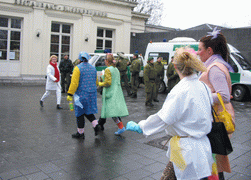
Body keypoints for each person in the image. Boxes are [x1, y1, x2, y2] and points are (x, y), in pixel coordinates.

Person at [126, 47, 214, 180]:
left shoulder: (179, 91)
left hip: (185, 151)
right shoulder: (204, 87)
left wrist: (142, 127)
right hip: (202, 148)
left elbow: (164, 118)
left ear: (174, 65)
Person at [198, 27, 235, 180]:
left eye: (200, 49)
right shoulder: (214, 65)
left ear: (209, 51)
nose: (198, 52)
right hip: (213, 119)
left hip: (215, 120)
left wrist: (201, 95)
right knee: (212, 160)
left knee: (211, 159)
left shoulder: (214, 68)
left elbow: (224, 96)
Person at [67, 52, 101, 139]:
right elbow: (96, 82)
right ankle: (96, 125)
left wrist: (70, 93)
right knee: (88, 111)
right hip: (92, 94)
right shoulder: (93, 68)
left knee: (80, 114)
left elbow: (74, 83)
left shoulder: (77, 68)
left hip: (81, 94)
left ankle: (80, 133)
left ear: (80, 59)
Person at [98, 53, 129, 135]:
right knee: (112, 111)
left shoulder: (108, 70)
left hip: (110, 92)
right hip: (116, 92)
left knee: (112, 112)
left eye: (105, 60)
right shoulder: (116, 69)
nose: (104, 62)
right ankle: (101, 124)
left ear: (107, 61)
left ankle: (121, 127)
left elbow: (108, 83)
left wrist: (99, 83)